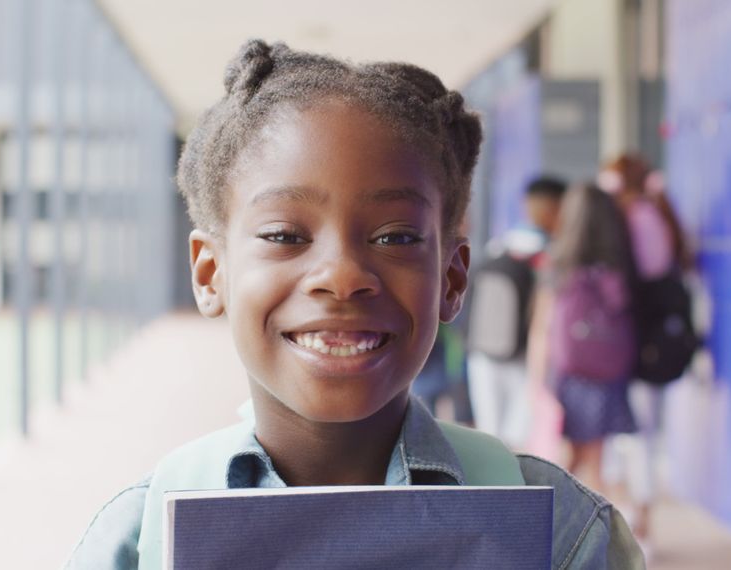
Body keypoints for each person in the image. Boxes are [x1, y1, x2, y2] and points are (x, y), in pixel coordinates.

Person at [64, 40, 643, 569]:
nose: (342, 276)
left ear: (451, 276)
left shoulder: (562, 534)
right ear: (211, 273)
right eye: (285, 235)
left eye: (395, 237)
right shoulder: (138, 542)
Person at [600, 155, 695, 546]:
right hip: (649, 342)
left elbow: (642, 275)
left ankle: (639, 520)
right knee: (638, 429)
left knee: (635, 431)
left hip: (637, 342)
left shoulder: (635, 218)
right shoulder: (654, 214)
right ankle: (636, 515)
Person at [527, 182, 639, 495]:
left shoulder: (559, 266)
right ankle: (592, 527)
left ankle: (559, 525)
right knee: (593, 459)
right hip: (608, 373)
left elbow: (541, 331)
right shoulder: (619, 265)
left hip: (570, 373)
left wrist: (537, 383)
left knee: (574, 458)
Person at [466, 176, 566, 447]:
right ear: (555, 208)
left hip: (482, 353)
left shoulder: (498, 246)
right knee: (518, 439)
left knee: (489, 435)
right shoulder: (553, 254)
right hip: (525, 356)